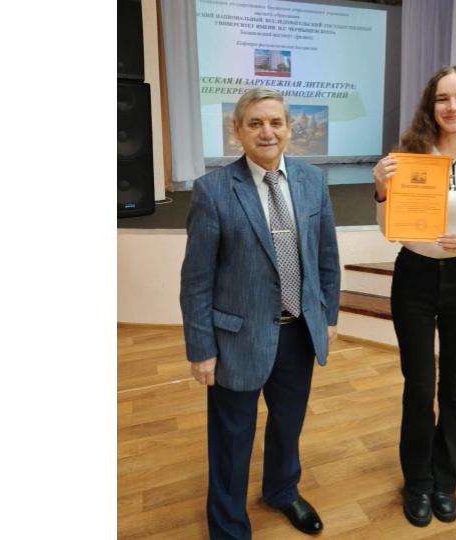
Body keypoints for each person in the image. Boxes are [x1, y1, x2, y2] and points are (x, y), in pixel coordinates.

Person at [180, 87, 340, 539]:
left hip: (299, 331)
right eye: (255, 123)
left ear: (289, 129)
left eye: (275, 122)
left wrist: (327, 315)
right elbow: (196, 279)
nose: (266, 132)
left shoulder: (312, 181)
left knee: (288, 423)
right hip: (237, 339)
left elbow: (326, 255)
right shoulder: (213, 190)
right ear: (237, 131)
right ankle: (229, 525)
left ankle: (282, 490)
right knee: (232, 438)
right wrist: (201, 348)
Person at [371, 66, 456, 527]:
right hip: (414, 276)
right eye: (443, 98)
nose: (453, 106)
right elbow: (390, 230)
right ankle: (417, 481)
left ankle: (445, 480)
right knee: (418, 386)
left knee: (455, 387)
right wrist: (381, 190)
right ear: (431, 105)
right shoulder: (410, 157)